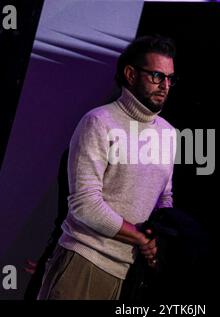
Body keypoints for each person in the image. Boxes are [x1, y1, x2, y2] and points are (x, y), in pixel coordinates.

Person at [37, 35, 178, 300]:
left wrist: (158, 239)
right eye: (157, 76)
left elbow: (164, 199)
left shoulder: (168, 134)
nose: (165, 85)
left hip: (127, 274)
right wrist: (139, 237)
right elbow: (85, 205)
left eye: (170, 78)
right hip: (82, 261)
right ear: (130, 74)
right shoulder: (99, 122)